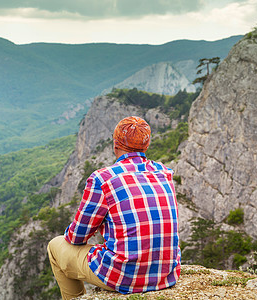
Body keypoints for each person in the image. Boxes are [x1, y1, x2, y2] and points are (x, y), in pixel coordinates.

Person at [47, 116, 181, 300]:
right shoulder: (165, 173)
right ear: (146, 145)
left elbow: (76, 237)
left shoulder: (103, 179)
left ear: (115, 144)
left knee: (55, 246)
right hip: (166, 274)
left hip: (124, 276)